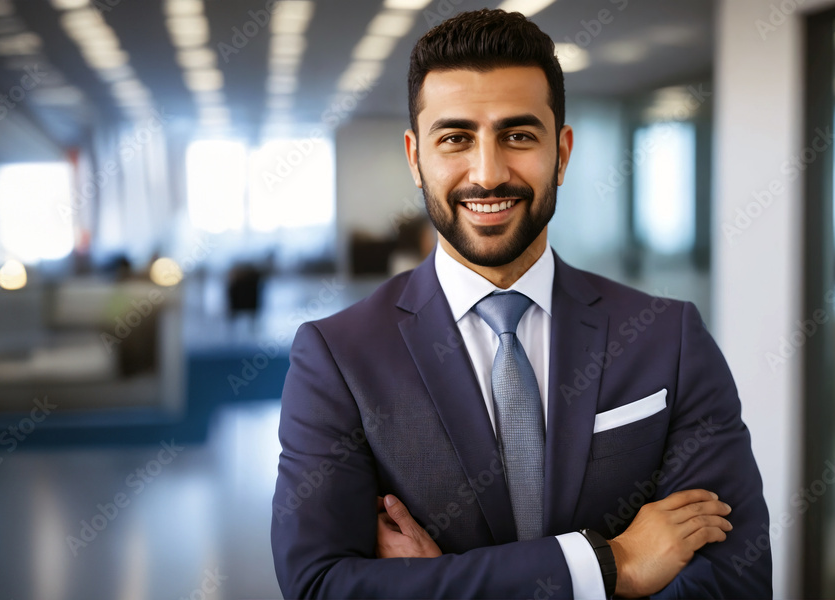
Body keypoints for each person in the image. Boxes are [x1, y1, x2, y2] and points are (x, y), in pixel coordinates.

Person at [271, 9, 771, 599]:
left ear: (561, 152)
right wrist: (610, 566)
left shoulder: (669, 339)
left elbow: (734, 582)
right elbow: (321, 586)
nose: (487, 173)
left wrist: (433, 585)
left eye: (518, 135)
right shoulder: (338, 358)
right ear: (415, 158)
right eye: (456, 138)